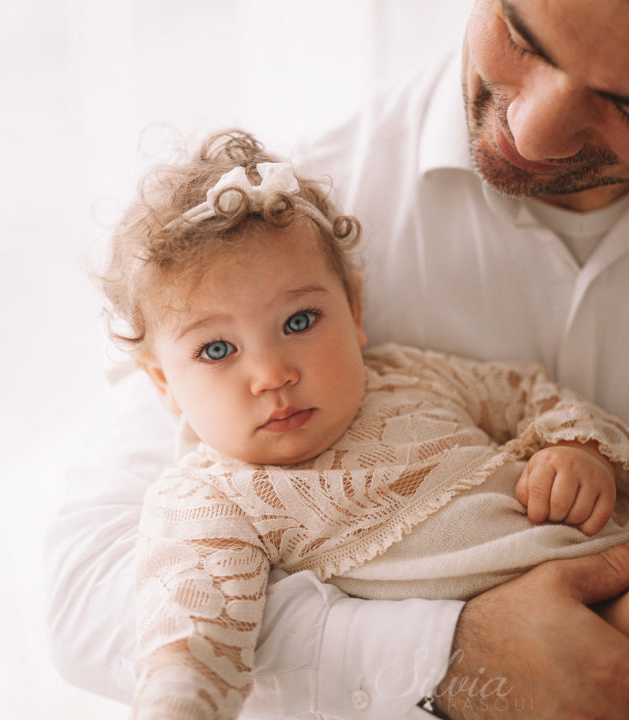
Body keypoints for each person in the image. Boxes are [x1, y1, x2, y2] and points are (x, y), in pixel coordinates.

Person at [44, 1, 629, 717]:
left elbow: (531, 397)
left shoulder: (406, 372)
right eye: (520, 36)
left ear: (355, 311)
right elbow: (131, 619)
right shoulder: (215, 485)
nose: (272, 373)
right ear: (164, 382)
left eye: (622, 100)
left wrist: (579, 448)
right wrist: (452, 654)